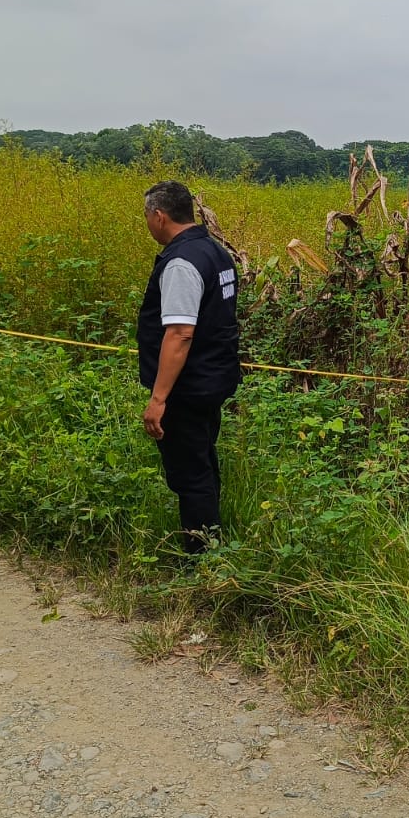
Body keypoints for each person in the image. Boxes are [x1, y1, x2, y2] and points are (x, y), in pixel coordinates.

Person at [137, 181, 241, 554]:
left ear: (159, 216)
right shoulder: (215, 252)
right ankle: (212, 544)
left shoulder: (181, 263)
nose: (148, 223)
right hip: (213, 378)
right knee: (203, 461)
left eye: (147, 216)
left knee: (190, 473)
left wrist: (158, 399)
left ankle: (201, 559)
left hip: (188, 388)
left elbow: (180, 333)